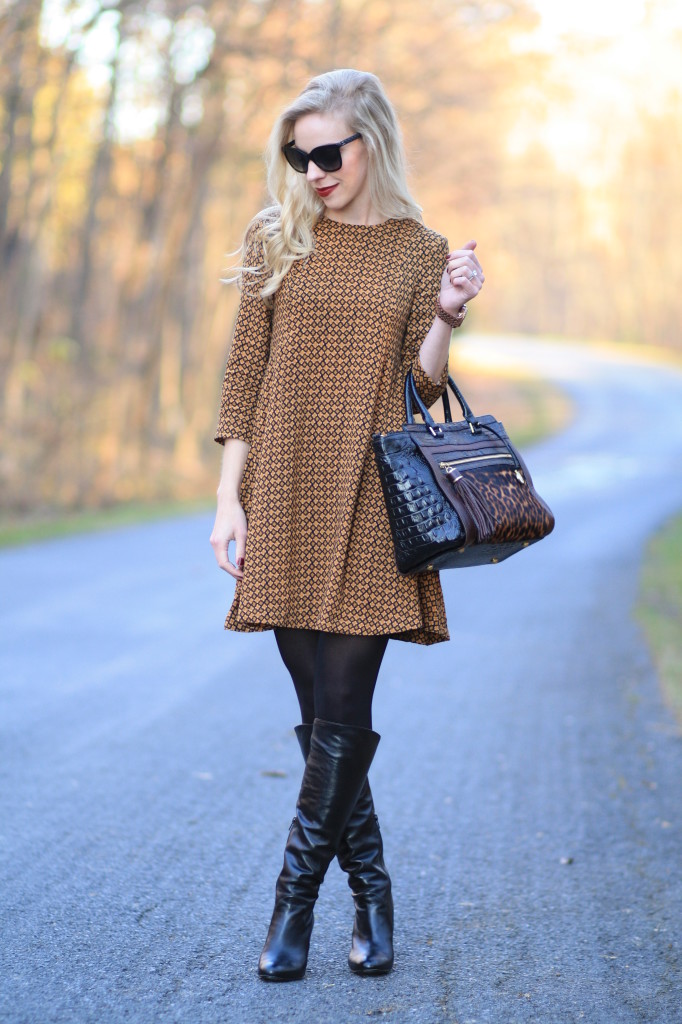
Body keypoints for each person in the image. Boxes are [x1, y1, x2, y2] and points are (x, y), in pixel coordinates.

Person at [209, 68, 484, 982]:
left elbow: (427, 383)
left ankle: (293, 908)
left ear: (372, 141)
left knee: (344, 708)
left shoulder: (420, 247)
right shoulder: (276, 236)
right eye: (300, 155)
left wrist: (446, 313)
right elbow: (244, 374)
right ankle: (374, 891)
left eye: (330, 152)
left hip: (373, 496)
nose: (314, 170)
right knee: (318, 713)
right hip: (284, 491)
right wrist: (226, 498)